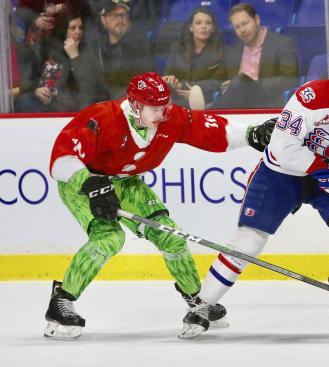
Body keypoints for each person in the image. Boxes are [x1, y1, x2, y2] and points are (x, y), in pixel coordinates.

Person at [197, 43, 329, 336]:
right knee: (249, 239)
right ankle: (202, 305)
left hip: (325, 173)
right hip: (280, 173)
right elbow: (281, 146)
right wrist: (321, 168)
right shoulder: (311, 97)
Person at [44, 71, 276, 339]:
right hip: (83, 184)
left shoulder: (168, 117)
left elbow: (207, 129)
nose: (164, 113)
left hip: (126, 183)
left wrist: (251, 134)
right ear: (135, 105)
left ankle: (196, 300)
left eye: (165, 105)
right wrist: (92, 185)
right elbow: (62, 157)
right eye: (156, 108)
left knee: (171, 237)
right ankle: (61, 302)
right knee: (109, 239)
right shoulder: (102, 118)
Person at [212, 3, 298, 109]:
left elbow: (289, 79)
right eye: (237, 27)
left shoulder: (282, 43)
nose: (242, 30)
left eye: (245, 23)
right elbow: (218, 78)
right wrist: (223, 86)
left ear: (257, 20)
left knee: (240, 81)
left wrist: (249, 85)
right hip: (236, 104)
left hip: (266, 102)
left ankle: (208, 116)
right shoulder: (233, 49)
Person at [75, 0, 154, 107]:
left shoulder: (140, 47)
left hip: (130, 109)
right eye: (114, 16)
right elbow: (87, 87)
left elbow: (142, 83)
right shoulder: (94, 49)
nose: (120, 20)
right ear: (103, 19)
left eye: (123, 15)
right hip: (100, 110)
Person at [15, 10, 86, 112]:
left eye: (80, 28)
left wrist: (75, 57)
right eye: (73, 28)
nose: (78, 32)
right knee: (25, 101)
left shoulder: (87, 52)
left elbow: (86, 87)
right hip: (41, 100)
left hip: (66, 103)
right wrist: (36, 90)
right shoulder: (48, 48)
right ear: (64, 30)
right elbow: (28, 79)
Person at [163, 7, 227, 109]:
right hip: (176, 95)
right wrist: (170, 80)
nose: (203, 26)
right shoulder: (177, 47)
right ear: (191, 27)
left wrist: (187, 87)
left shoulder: (221, 50)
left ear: (213, 28)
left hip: (205, 97)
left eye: (208, 23)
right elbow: (168, 74)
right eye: (198, 23)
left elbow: (219, 82)